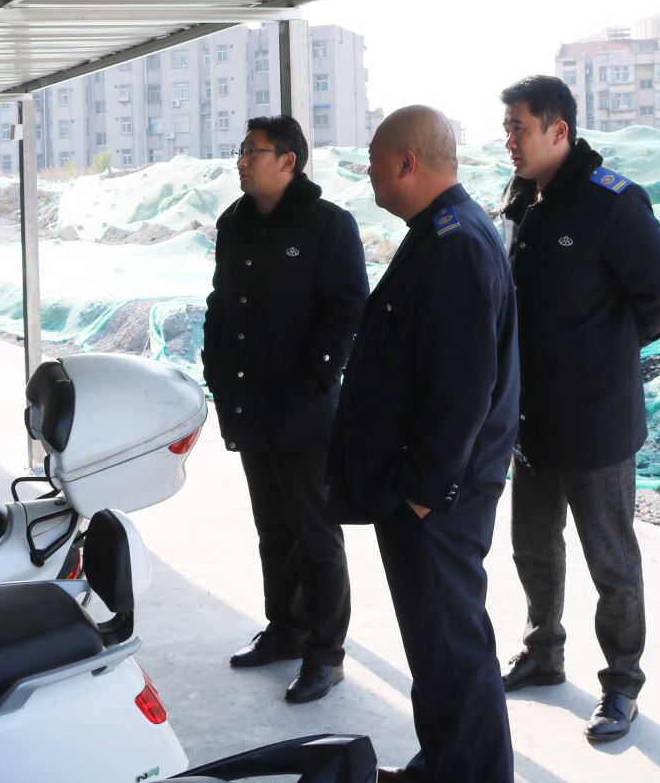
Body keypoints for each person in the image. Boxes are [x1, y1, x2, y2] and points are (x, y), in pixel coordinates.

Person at [328, 105, 519, 783]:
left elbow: (464, 387)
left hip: (438, 495)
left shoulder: (455, 242)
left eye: (374, 160)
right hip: (430, 489)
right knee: (436, 647)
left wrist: (421, 491)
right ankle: (444, 762)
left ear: (407, 162)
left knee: (452, 647)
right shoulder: (440, 232)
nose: (369, 172)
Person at [497, 76, 660, 742]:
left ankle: (622, 684)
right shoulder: (522, 198)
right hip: (530, 415)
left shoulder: (610, 201)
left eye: (519, 127)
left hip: (596, 418)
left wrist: (610, 345)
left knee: (611, 561)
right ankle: (543, 651)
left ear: (559, 130)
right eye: (506, 127)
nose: (508, 139)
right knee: (532, 546)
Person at [203, 114, 367, 703]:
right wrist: (217, 374)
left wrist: (315, 381)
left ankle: (326, 653)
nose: (242, 160)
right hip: (251, 405)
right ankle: (286, 630)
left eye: (254, 150)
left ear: (288, 161)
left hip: (306, 412)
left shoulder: (327, 225)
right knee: (272, 529)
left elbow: (348, 308)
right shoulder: (235, 223)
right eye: (241, 150)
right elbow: (222, 304)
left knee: (315, 535)